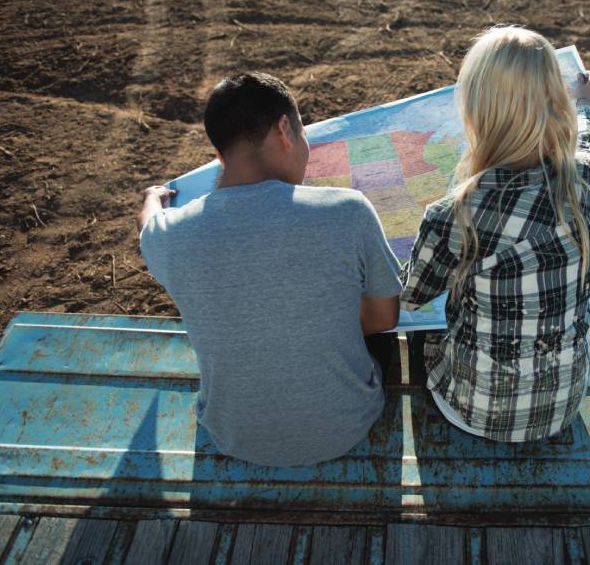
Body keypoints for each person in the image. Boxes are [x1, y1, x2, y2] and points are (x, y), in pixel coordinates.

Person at [137, 72, 402, 467]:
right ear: (284, 129)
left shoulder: (169, 237)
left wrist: (153, 199)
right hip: (345, 429)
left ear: (219, 155)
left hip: (233, 435)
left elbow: (148, 224)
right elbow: (384, 318)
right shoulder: (349, 211)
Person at [400, 26, 590, 442]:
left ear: (477, 110)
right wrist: (585, 104)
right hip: (564, 404)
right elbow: (589, 142)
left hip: (471, 410)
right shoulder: (585, 178)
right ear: (553, 101)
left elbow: (411, 295)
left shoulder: (455, 213)